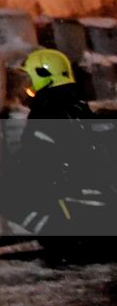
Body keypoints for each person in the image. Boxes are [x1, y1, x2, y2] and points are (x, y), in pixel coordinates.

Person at [6, 48, 108, 238]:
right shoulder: (79, 108)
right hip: (104, 213)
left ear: (43, 77)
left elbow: (35, 163)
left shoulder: (46, 112)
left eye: (28, 81)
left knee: (9, 195)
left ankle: (55, 234)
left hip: (77, 222)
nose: (26, 88)